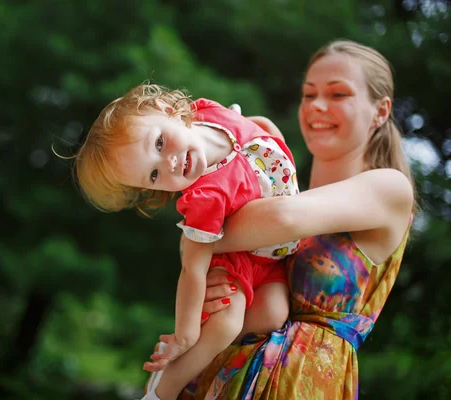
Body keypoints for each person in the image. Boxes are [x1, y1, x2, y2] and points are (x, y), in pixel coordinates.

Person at [146, 39, 415, 399]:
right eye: (308, 94)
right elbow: (212, 252)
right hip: (222, 378)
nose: (317, 106)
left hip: (302, 384)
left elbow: (282, 218)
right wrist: (213, 284)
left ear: (381, 111)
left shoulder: (389, 189)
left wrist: (199, 239)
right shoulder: (285, 188)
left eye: (338, 95)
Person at [73, 83, 301, 400]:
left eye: (160, 143)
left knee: (273, 315)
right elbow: (193, 269)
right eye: (153, 175)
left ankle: (209, 359)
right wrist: (185, 334)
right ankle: (166, 385)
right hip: (242, 258)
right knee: (226, 325)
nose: (168, 164)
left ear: (169, 110)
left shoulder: (209, 113)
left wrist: (271, 135)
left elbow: (258, 129)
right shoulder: (204, 198)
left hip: (273, 255)